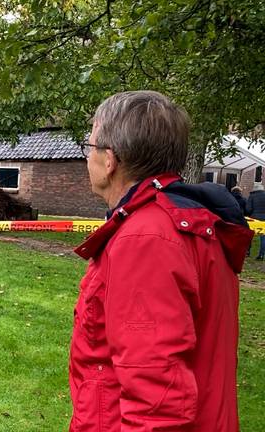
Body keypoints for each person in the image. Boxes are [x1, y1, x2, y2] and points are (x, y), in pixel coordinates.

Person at [71, 91, 252, 432]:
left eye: (89, 146)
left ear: (109, 160)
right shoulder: (188, 222)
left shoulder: (146, 239)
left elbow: (156, 400)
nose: (87, 157)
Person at [246, 183, 265, 259]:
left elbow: (248, 209)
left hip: (254, 219)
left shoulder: (252, 196)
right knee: (263, 237)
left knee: (249, 235)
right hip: (264, 219)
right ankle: (261, 254)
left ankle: (247, 252)